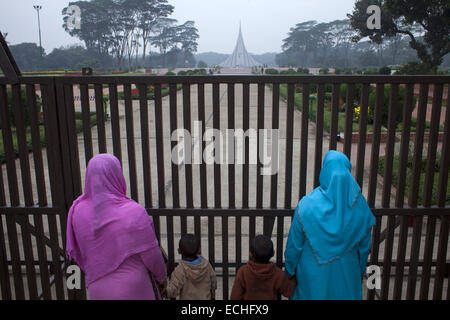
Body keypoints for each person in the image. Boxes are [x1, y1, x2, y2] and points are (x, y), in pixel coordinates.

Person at [66, 154, 166, 300]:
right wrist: (162, 277)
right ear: (117, 174)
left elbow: (81, 253)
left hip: (97, 288)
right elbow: (152, 255)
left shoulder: (77, 211)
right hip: (134, 288)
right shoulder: (134, 212)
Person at [284, 150, 375, 300]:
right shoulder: (360, 206)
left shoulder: (307, 205)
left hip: (313, 273)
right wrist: (360, 269)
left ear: (325, 171)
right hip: (347, 272)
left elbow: (294, 245)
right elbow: (364, 248)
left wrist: (289, 271)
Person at [230, 235, 296, 300]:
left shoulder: (243, 272)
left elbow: (235, 297)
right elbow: (288, 292)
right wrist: (294, 277)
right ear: (273, 253)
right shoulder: (278, 274)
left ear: (250, 254)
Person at [163, 234, 217, 300]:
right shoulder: (206, 265)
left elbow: (173, 288)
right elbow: (213, 281)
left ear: (179, 251)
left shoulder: (180, 270)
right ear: (199, 250)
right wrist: (213, 296)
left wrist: (165, 292)